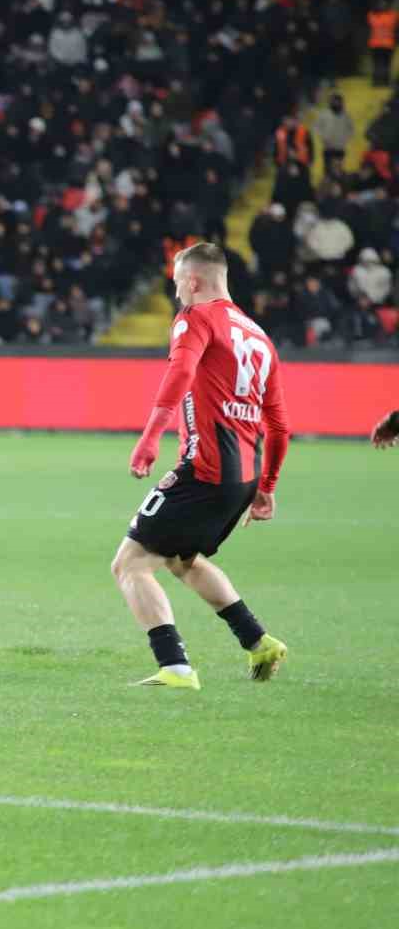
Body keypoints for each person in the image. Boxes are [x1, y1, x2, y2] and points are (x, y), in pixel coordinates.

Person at [115, 242, 290, 691]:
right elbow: (278, 425)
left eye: (177, 283)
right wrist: (267, 486)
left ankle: (175, 667)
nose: (176, 292)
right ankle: (259, 642)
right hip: (243, 477)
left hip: (206, 468)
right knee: (183, 560)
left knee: (130, 564)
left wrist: (150, 437)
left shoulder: (195, 318)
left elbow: (179, 373)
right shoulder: (259, 337)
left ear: (192, 281)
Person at [368, 0, 395, 88]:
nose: (382, 6)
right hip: (379, 44)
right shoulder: (391, 15)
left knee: (383, 64)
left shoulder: (373, 15)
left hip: (384, 44)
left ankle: (382, 81)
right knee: (379, 64)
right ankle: (379, 81)